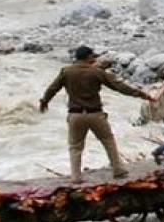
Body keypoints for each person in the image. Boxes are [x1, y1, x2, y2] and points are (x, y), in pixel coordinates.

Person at [40, 45, 153, 183]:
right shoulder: (96, 72)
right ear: (88, 57)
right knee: (108, 140)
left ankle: (76, 176)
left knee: (75, 147)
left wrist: (44, 101)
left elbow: (52, 88)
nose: (95, 58)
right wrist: (141, 94)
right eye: (93, 56)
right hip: (95, 114)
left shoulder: (66, 71)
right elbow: (119, 87)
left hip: (75, 115)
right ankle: (118, 169)